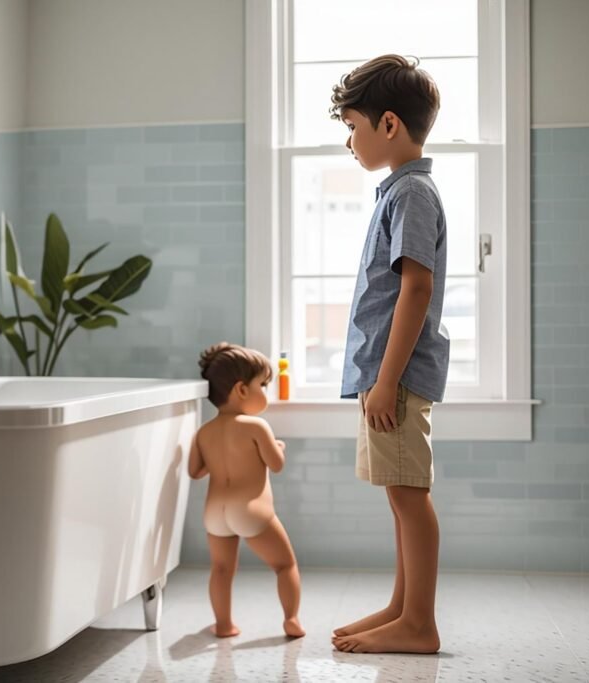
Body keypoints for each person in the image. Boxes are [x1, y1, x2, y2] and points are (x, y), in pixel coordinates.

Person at [328, 54, 448, 655]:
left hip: (393, 377)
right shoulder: (400, 192)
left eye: (353, 126)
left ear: (390, 125)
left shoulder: (413, 194)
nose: (350, 140)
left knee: (408, 495)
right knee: (399, 494)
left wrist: (386, 381)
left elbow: (416, 287)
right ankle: (403, 607)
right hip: (386, 375)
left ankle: (419, 624)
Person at [190, 342, 305, 639]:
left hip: (215, 512)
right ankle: (291, 619)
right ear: (242, 390)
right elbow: (275, 465)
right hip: (251, 509)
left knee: (221, 569)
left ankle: (224, 625)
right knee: (284, 564)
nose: (265, 391)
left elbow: (195, 471)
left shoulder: (204, 431)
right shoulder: (256, 427)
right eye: (263, 385)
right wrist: (278, 447)